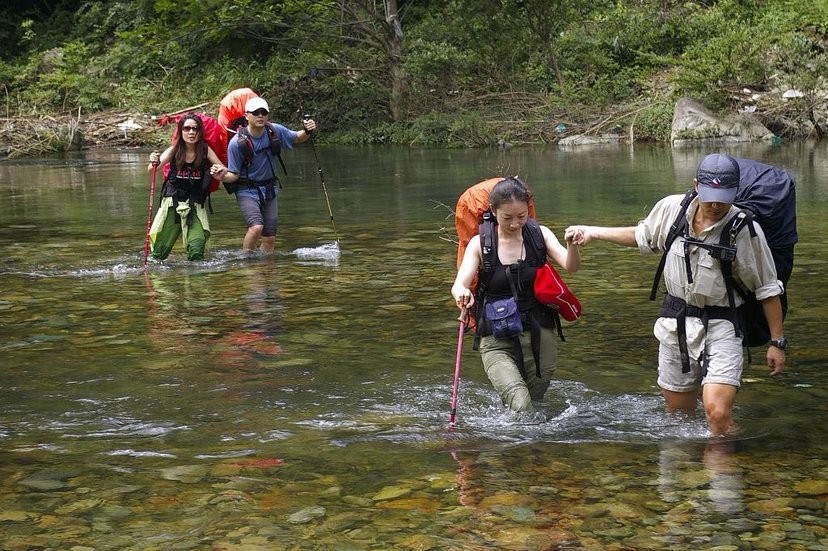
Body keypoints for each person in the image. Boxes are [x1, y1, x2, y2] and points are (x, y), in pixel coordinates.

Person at [565, 153, 786, 437]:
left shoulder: (745, 229)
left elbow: (767, 288)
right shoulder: (672, 209)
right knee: (679, 419)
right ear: (696, 185)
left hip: (723, 324)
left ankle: (724, 472)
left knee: (717, 413)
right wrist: (594, 233)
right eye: (709, 195)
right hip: (676, 323)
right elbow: (642, 236)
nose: (716, 204)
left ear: (735, 191)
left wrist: (777, 342)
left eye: (724, 196)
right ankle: (688, 477)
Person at [451, 177, 581, 413]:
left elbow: (570, 266)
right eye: (507, 218)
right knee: (521, 404)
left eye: (521, 216)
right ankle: (517, 443)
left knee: (534, 402)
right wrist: (461, 292)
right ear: (493, 211)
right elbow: (460, 284)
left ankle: (518, 448)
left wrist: (572, 246)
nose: (515, 224)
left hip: (540, 333)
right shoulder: (481, 244)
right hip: (495, 337)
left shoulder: (539, 235)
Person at [211, 96, 317, 254]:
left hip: (269, 189)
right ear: (247, 116)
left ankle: (266, 270)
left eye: (264, 112)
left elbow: (298, 138)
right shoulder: (236, 143)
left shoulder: (274, 130)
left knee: (269, 238)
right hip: (246, 190)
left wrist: (308, 130)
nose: (260, 115)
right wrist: (221, 176)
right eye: (256, 112)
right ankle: (246, 261)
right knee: (256, 227)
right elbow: (233, 174)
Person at [147, 114, 226, 261]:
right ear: (181, 131)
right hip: (172, 203)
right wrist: (153, 161)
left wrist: (219, 170)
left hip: (195, 204)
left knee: (196, 249)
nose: (191, 132)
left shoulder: (205, 150)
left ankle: (195, 281)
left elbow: (222, 167)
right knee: (159, 253)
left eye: (195, 129)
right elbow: (153, 170)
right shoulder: (173, 150)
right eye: (187, 128)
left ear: (200, 132)